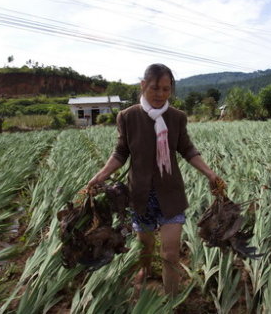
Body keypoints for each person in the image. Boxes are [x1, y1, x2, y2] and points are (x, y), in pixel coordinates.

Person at [87, 63, 222, 296]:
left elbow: (187, 149)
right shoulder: (128, 117)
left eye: (166, 89)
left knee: (170, 253)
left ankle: (170, 300)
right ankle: (146, 270)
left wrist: (209, 173)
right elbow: (120, 153)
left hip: (170, 194)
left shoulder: (176, 118)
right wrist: (100, 176)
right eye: (155, 88)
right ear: (143, 86)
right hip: (140, 195)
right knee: (146, 247)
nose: (160, 94)